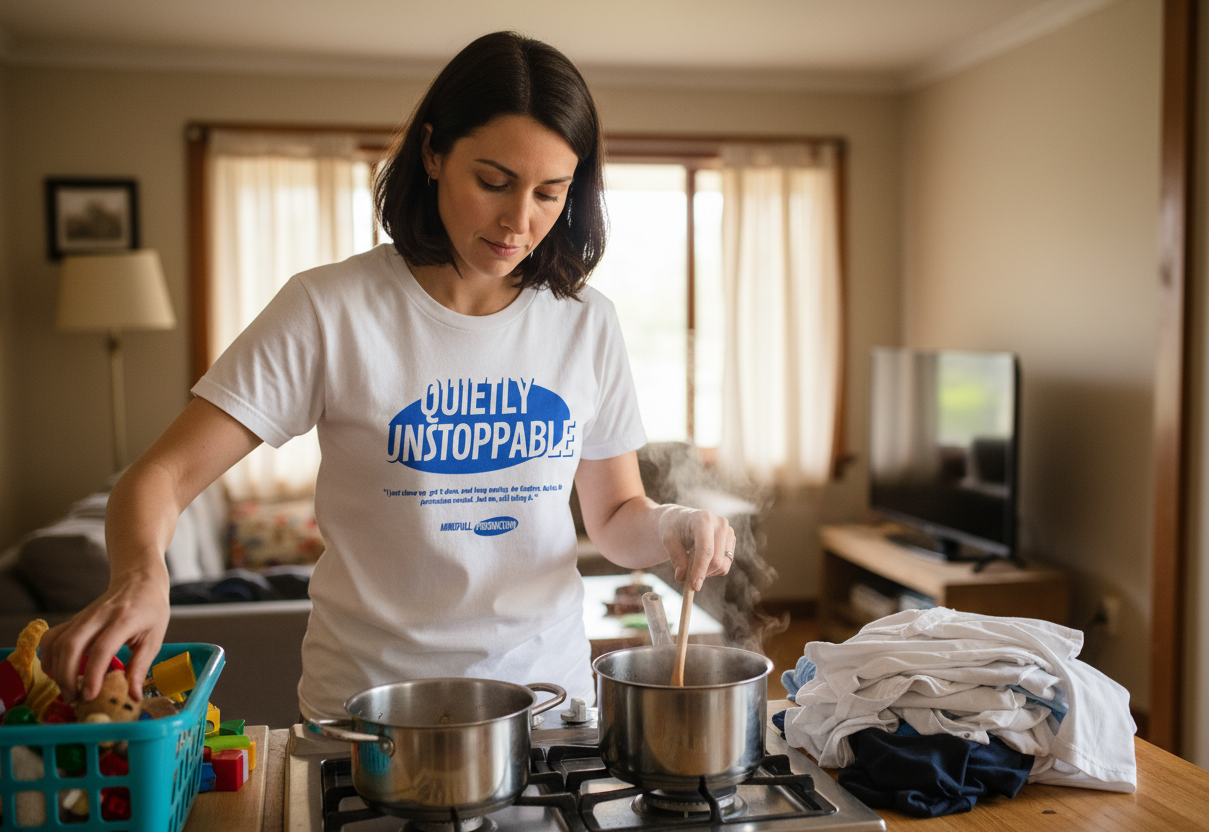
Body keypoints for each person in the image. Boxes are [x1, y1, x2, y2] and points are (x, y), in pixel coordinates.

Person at [40, 31, 737, 718]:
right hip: (369, 713)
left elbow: (614, 517)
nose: (519, 222)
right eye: (493, 182)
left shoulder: (587, 322)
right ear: (433, 153)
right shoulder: (329, 309)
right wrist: (141, 575)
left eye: (550, 193)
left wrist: (673, 525)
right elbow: (158, 477)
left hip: (545, 706)